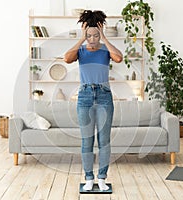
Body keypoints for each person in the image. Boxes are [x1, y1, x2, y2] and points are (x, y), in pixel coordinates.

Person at [64, 10, 123, 191]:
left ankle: (102, 178)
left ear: (100, 33)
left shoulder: (106, 50)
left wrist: (104, 37)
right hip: (85, 97)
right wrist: (82, 38)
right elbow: (67, 58)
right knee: (86, 140)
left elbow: (119, 58)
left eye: (95, 35)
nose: (92, 38)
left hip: (104, 96)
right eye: (89, 35)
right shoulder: (80, 51)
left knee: (104, 140)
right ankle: (89, 178)